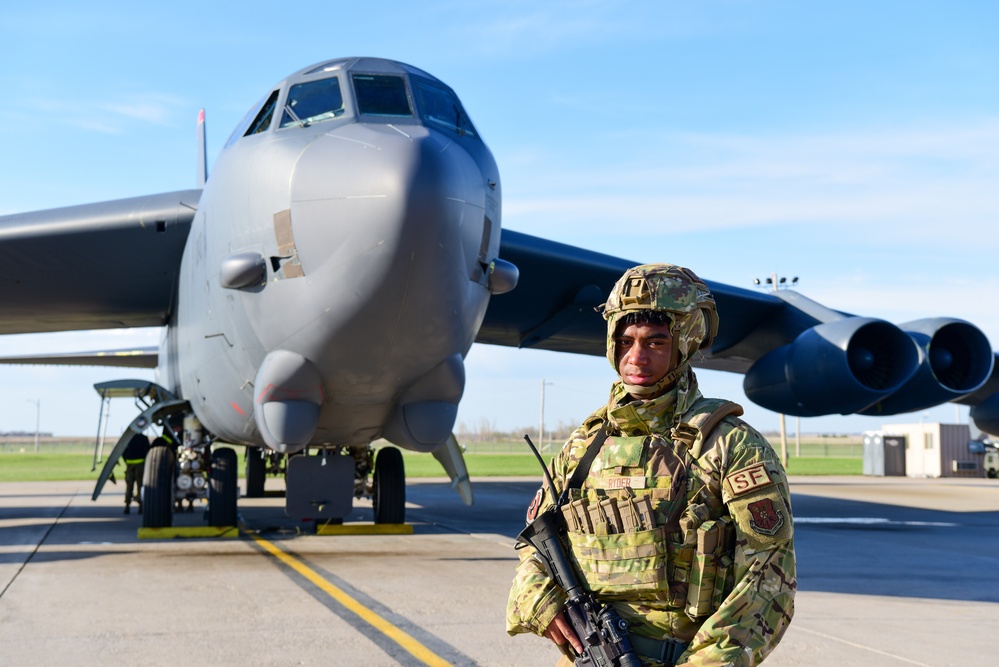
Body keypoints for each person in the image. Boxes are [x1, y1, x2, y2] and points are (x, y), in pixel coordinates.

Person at [506, 264, 796, 666]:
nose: (636, 357)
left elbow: (769, 580)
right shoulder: (585, 444)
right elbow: (534, 543)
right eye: (625, 341)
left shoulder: (729, 445)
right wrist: (539, 600)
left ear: (686, 342)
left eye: (656, 343)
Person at [121, 431, 150, 514]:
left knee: (129, 486)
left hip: (130, 465)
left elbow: (123, 451)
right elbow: (147, 451)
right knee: (140, 486)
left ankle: (127, 505)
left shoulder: (128, 439)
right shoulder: (143, 438)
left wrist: (126, 460)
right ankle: (141, 506)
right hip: (141, 465)